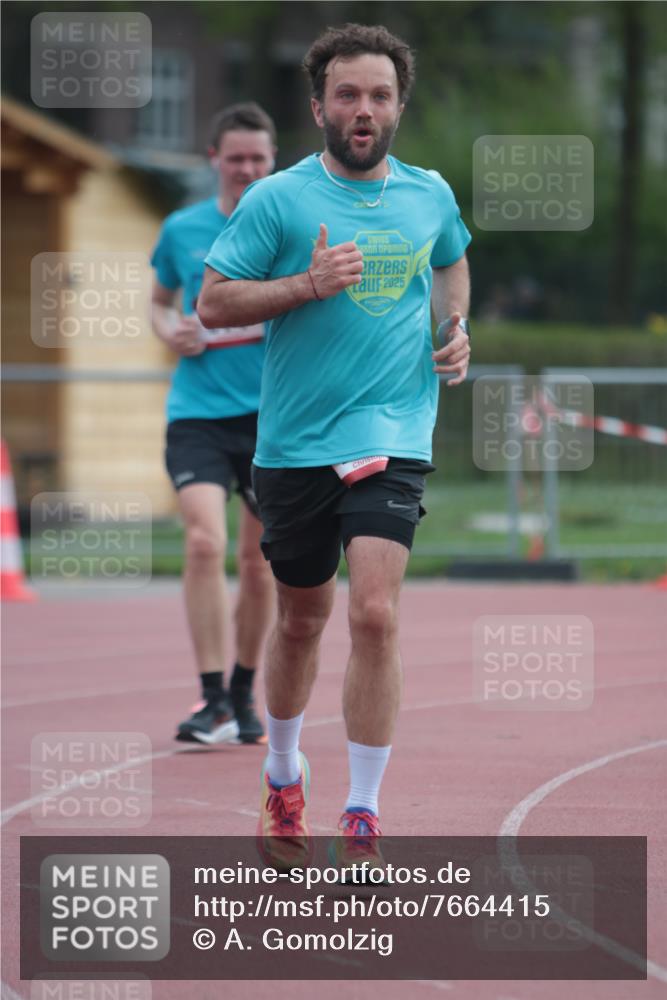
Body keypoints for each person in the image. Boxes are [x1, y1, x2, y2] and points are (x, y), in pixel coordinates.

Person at [198, 24, 471, 867]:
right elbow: (213, 304)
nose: (364, 110)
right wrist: (304, 286)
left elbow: (452, 263)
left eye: (380, 96)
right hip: (294, 444)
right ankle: (283, 776)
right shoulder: (278, 200)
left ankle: (361, 808)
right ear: (318, 105)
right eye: (348, 95)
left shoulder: (429, 194)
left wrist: (455, 326)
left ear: (398, 106)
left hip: (392, 428)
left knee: (375, 614)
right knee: (302, 620)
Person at [150, 103, 277, 746]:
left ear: (272, 161)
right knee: (204, 543)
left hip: (270, 418)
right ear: (214, 161)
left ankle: (243, 692)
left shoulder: (288, 227)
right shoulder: (183, 229)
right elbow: (159, 302)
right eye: (236, 159)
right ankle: (210, 698)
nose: (247, 169)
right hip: (197, 414)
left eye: (258, 158)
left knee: (258, 564)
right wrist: (169, 332)